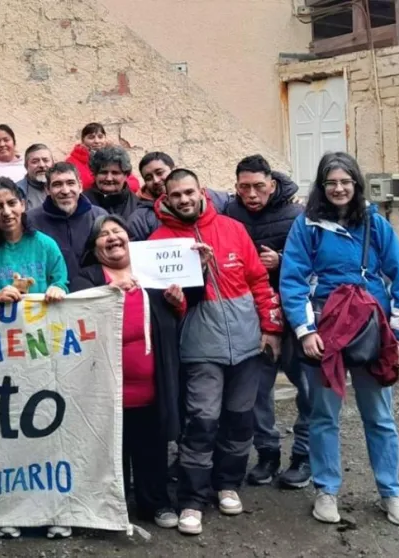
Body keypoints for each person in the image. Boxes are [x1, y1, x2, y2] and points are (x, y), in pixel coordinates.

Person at [281, 151, 399, 527]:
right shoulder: (307, 226)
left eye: (345, 181)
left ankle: (391, 492)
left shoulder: (376, 224)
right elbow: (293, 280)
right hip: (328, 334)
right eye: (331, 182)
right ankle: (326, 490)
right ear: (322, 186)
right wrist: (305, 331)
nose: (339, 189)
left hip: (374, 331)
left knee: (381, 417)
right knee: (324, 415)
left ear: (355, 183)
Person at [149, 169, 282, 536]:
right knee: (201, 422)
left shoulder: (232, 228)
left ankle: (227, 484)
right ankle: (192, 499)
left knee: (240, 421)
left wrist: (271, 328)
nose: (184, 200)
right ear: (167, 198)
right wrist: (178, 298)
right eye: (176, 195)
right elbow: (164, 309)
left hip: (245, 344)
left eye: (189, 192)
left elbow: (258, 280)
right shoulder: (161, 241)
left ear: (202, 192)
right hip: (199, 348)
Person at [0, 177, 68, 539]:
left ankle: (55, 509)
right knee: (3, 435)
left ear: (23, 203)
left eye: (11, 203)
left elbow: (63, 283)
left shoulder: (46, 245)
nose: (6, 212)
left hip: (41, 356)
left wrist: (57, 290)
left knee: (47, 433)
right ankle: (6, 510)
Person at [70, 215, 183, 530]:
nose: (111, 237)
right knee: (109, 453)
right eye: (103, 234)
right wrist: (109, 291)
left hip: (150, 384)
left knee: (151, 449)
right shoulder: (88, 276)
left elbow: (172, 317)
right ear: (94, 247)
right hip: (107, 387)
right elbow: (79, 312)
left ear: (130, 238)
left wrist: (178, 302)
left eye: (117, 231)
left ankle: (156, 503)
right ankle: (109, 508)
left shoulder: (153, 272)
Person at [223, 155, 311, 489]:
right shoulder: (229, 213)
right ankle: (268, 453)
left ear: (272, 184)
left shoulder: (297, 215)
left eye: (259, 186)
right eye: (244, 187)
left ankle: (303, 454)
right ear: (236, 188)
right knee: (258, 392)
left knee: (307, 389)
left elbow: (315, 263)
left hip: (295, 316)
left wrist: (283, 261)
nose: (252, 193)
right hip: (252, 317)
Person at [27, 162, 107, 280]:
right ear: (47, 189)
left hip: (93, 291)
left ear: (80, 186)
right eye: (57, 184)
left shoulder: (99, 217)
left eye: (70, 183)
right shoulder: (31, 221)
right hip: (50, 293)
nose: (65, 191)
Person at [127, 152, 231, 241]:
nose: (156, 180)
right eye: (148, 178)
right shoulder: (139, 219)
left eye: (160, 173)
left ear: (174, 169)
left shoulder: (212, 198)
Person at [66, 122, 139, 192]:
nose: (97, 141)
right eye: (91, 137)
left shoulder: (114, 158)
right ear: (83, 140)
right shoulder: (71, 162)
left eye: (100, 137)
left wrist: (113, 187)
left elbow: (134, 184)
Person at [84, 146, 140, 220]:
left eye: (115, 173)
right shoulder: (82, 202)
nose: (109, 178)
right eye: (103, 172)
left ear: (126, 175)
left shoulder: (137, 206)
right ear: (95, 174)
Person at [15, 143, 53, 211]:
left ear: (53, 164)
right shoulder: (17, 191)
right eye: (35, 162)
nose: (41, 165)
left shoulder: (62, 187)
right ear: (26, 166)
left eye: (45, 160)